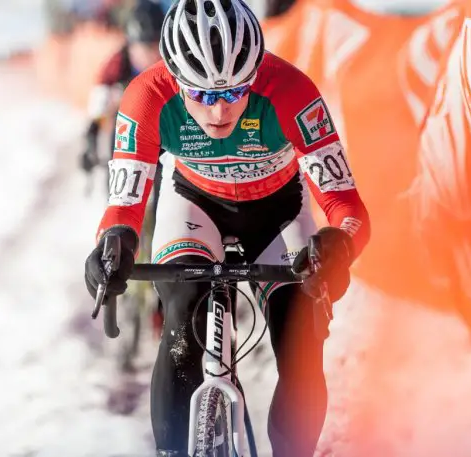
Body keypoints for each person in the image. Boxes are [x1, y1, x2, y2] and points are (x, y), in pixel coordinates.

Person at [83, 0, 371, 455]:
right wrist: (113, 244)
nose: (219, 111)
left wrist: (340, 244)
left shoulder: (291, 90)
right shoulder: (146, 94)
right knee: (181, 316)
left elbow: (345, 204)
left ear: (257, 73)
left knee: (300, 342)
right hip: (194, 204)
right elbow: (124, 206)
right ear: (174, 79)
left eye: (234, 93)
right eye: (201, 95)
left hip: (276, 212)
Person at [80, 0, 167, 355]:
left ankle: (161, 304)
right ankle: (124, 289)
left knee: (163, 226)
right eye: (141, 47)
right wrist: (88, 143)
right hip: (124, 156)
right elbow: (97, 111)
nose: (147, 54)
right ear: (129, 45)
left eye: (153, 47)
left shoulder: (173, 66)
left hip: (164, 154)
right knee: (120, 222)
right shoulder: (116, 65)